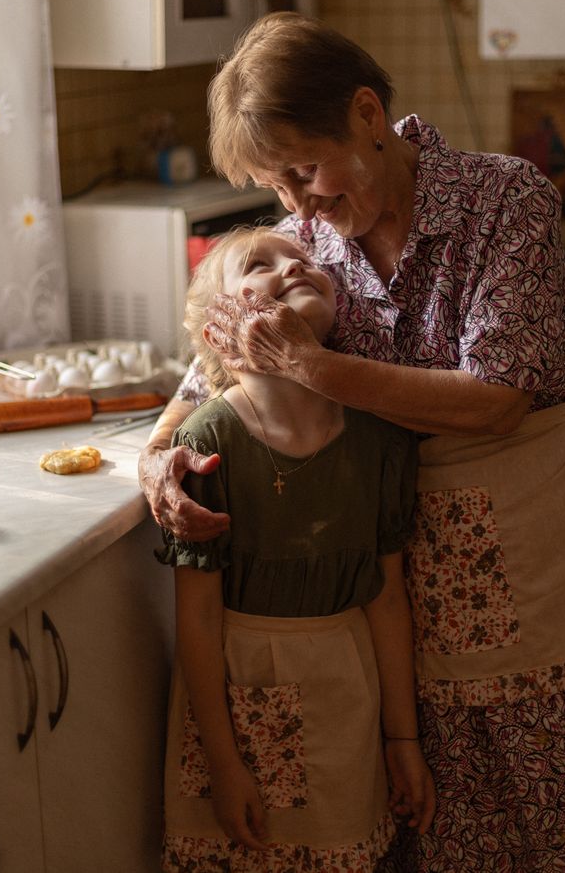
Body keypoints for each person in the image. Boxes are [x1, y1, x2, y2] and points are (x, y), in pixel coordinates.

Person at [140, 12, 565, 872]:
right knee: (439, 827)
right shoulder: (313, 243)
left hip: (543, 564)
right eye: (279, 186)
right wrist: (158, 455)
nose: (299, 205)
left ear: (366, 114)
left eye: (306, 170)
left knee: (555, 819)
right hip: (413, 591)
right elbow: (216, 372)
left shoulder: (505, 200)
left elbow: (498, 398)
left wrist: (317, 370)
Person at [156, 224, 435, 872]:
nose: (293, 264)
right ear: (215, 332)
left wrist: (403, 737)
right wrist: (224, 766)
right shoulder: (208, 441)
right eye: (260, 263)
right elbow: (196, 618)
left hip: (346, 711)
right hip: (235, 724)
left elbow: (387, 599)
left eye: (305, 258)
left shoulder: (378, 441)